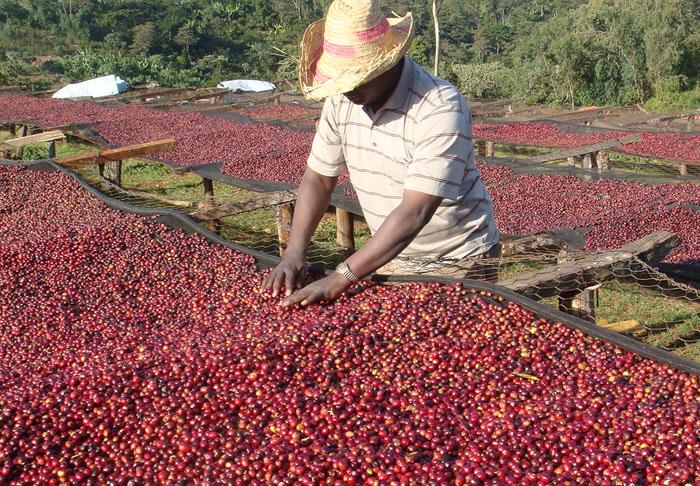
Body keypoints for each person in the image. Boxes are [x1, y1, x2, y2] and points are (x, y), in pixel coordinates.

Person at [262, 0, 499, 307]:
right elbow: (319, 178)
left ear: (388, 61)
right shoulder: (342, 100)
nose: (348, 89)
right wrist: (294, 253)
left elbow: (416, 210)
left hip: (457, 260)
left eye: (356, 78)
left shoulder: (439, 106)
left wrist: (342, 276)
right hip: (388, 253)